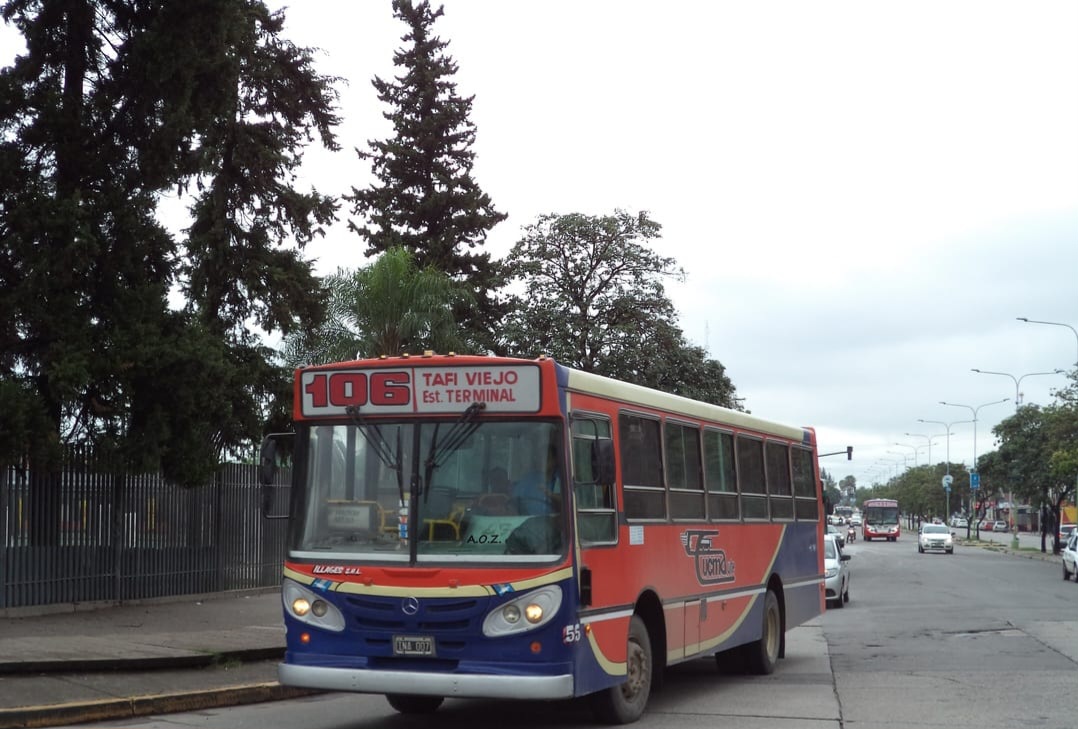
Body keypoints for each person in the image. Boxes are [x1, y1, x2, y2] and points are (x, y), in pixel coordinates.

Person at [513, 445, 561, 515]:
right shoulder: (528, 479)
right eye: (540, 458)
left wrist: (550, 494)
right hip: (527, 521)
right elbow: (514, 501)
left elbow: (569, 502)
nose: (542, 461)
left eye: (546, 458)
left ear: (555, 460)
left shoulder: (561, 478)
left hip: (552, 522)